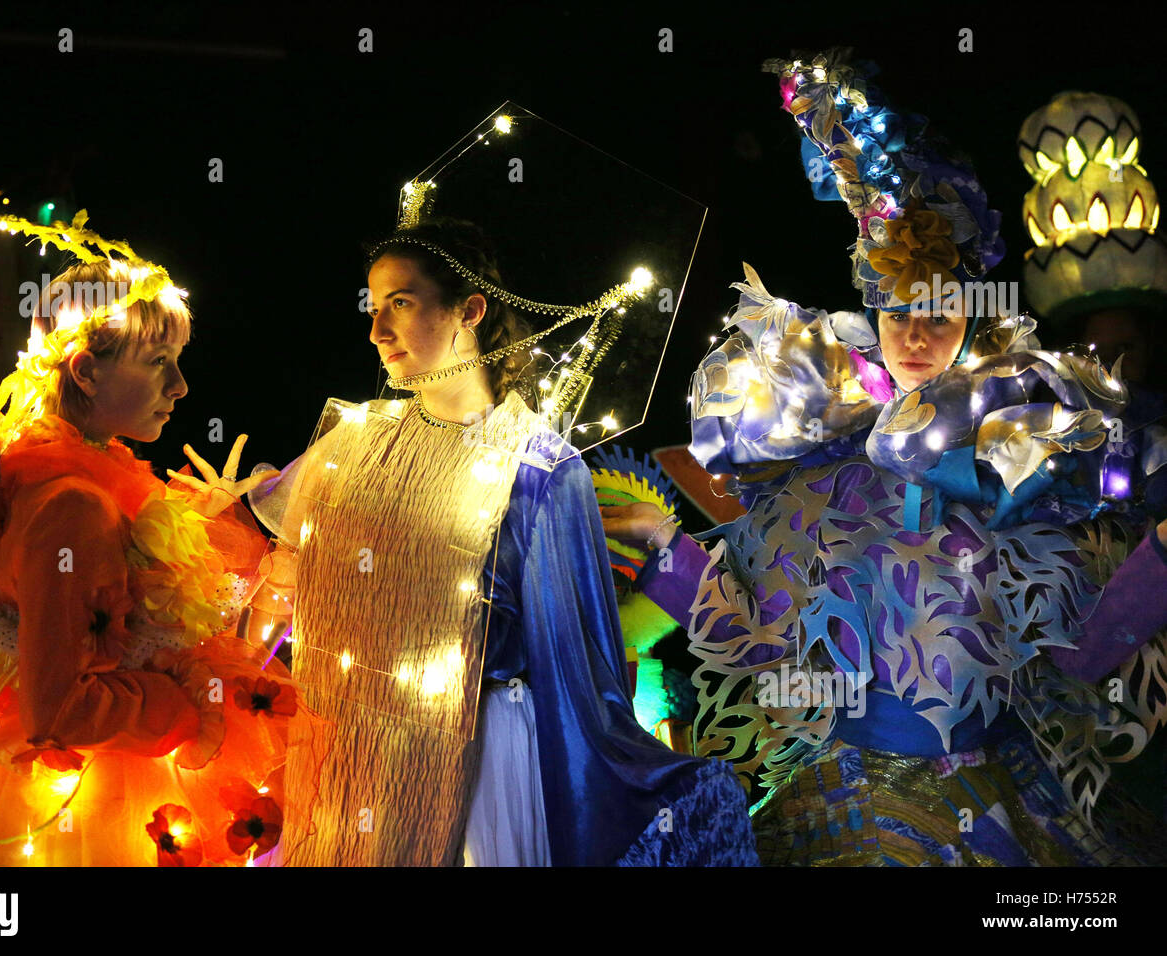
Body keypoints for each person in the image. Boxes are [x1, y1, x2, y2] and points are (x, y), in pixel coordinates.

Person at [603, 52, 1167, 865]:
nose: (914, 335)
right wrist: (665, 554)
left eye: (938, 312)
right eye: (896, 310)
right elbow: (769, 654)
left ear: (974, 319)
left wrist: (1159, 559)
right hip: (848, 802)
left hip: (995, 801)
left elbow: (1079, 662)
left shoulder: (1014, 464)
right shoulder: (823, 471)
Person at [248, 217, 758, 866]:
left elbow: (579, 670)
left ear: (470, 309)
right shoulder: (354, 448)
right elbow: (286, 587)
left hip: (483, 763)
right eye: (372, 308)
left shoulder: (540, 468)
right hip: (366, 758)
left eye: (400, 304)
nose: (377, 330)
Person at [0, 213, 327, 866]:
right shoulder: (75, 504)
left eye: (177, 363)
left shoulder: (90, 480)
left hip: (106, 781)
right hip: (98, 799)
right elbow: (59, 710)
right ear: (86, 372)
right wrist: (185, 711)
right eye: (159, 364)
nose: (180, 388)